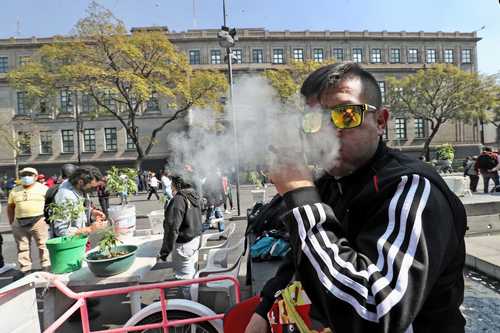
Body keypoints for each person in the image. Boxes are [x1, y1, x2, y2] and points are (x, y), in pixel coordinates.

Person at [245, 63, 467, 333]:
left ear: (381, 121)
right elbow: (300, 259)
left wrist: (299, 193)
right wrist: (265, 306)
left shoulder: (411, 187)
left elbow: (375, 314)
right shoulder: (329, 183)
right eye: (314, 121)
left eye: (346, 115)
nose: (328, 131)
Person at [158, 174, 203, 280]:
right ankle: (193, 295)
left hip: (184, 244)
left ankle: (189, 297)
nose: (171, 185)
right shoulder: (193, 195)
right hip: (195, 240)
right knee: (191, 273)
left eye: (172, 183)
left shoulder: (178, 200)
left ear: (177, 185)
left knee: (185, 278)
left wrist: (165, 251)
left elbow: (172, 228)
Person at [7, 167, 50, 273]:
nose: (26, 177)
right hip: (19, 222)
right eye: (24, 175)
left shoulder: (43, 189)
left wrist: (48, 220)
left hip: (39, 220)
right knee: (22, 247)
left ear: (36, 177)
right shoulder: (15, 190)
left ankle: (46, 267)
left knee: (43, 245)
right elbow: (10, 207)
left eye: (30, 175)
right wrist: (12, 222)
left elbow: (49, 204)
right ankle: (25, 269)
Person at [51, 165, 106, 238]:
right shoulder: (65, 197)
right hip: (69, 246)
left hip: (79, 240)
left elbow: (79, 210)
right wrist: (90, 229)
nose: (95, 190)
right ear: (80, 182)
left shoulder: (80, 188)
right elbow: (61, 231)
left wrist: (92, 212)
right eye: (93, 187)